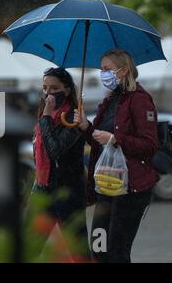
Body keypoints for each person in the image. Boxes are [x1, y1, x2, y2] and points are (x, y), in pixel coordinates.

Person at [75, 48, 159, 263]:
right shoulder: (110, 100)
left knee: (117, 252)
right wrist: (86, 126)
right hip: (106, 185)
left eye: (107, 69)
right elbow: (97, 140)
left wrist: (115, 139)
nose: (103, 73)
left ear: (123, 70)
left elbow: (150, 144)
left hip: (131, 189)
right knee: (98, 247)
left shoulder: (140, 99)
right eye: (101, 69)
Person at [29, 67, 90, 261]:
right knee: (29, 246)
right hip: (43, 188)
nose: (48, 93)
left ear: (67, 90)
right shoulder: (44, 116)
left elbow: (55, 150)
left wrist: (46, 116)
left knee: (77, 250)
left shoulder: (73, 118)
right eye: (45, 87)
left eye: (54, 88)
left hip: (68, 191)